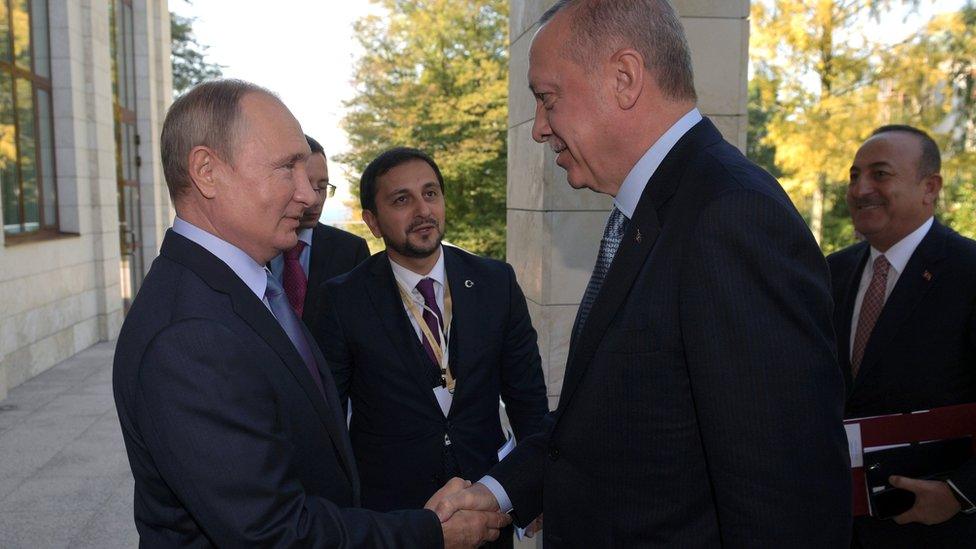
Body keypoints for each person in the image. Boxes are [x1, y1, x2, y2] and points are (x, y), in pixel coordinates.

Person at [433, 1, 852, 546]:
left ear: (624, 79)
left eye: (547, 99)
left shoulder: (731, 219)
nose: (538, 128)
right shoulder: (654, 211)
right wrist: (501, 489)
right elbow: (613, 413)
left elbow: (787, 500)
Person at [112, 79, 508, 547]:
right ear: (206, 171)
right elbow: (274, 532)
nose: (307, 196)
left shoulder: (243, 290)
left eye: (310, 174)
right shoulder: (191, 334)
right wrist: (430, 533)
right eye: (286, 169)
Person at [313, 147, 548, 548]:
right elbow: (327, 418)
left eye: (431, 193)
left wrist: (535, 488)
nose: (423, 210)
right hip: (394, 516)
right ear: (372, 220)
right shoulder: (342, 300)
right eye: (401, 200)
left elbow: (527, 396)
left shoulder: (496, 283)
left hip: (486, 503)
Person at [827, 125, 976, 547]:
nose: (860, 189)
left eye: (880, 174)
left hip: (937, 530)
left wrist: (959, 493)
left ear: (930, 188)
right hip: (840, 525)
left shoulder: (968, 273)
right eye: (854, 175)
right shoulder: (831, 273)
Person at [269, 134, 370, 329]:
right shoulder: (251, 246)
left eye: (322, 187)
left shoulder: (351, 251)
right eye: (305, 184)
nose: (315, 199)